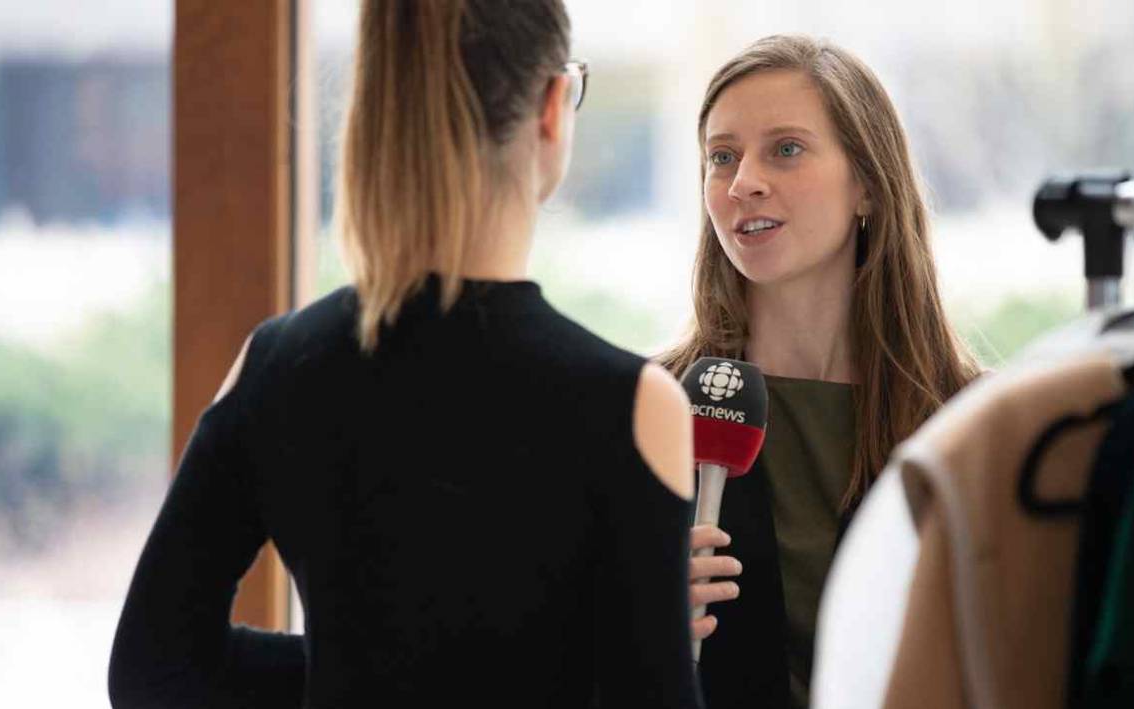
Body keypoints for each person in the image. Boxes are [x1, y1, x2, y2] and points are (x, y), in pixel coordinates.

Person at [108, 1, 703, 706]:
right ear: (551, 108)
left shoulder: (276, 364)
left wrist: (362, 666)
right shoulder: (635, 406)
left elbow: (154, 666)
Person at [657, 35, 981, 709]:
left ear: (867, 182)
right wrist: (634, 627)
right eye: (722, 156)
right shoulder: (648, 411)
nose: (743, 180)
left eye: (786, 148)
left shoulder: (972, 423)